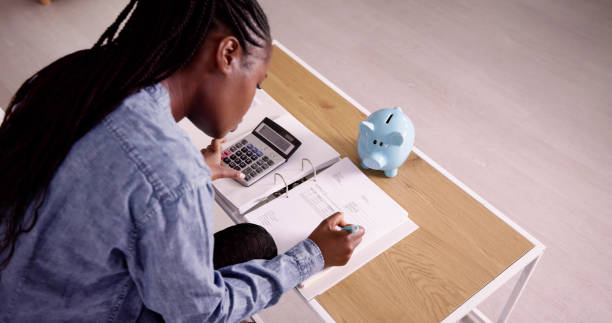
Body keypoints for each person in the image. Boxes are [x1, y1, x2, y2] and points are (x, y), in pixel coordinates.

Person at [0, 0, 365, 322]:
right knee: (255, 258)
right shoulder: (171, 172)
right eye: (258, 83)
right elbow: (200, 314)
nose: (253, 97)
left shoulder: (70, 77)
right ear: (227, 54)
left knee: (250, 242)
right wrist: (313, 255)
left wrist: (179, 181)